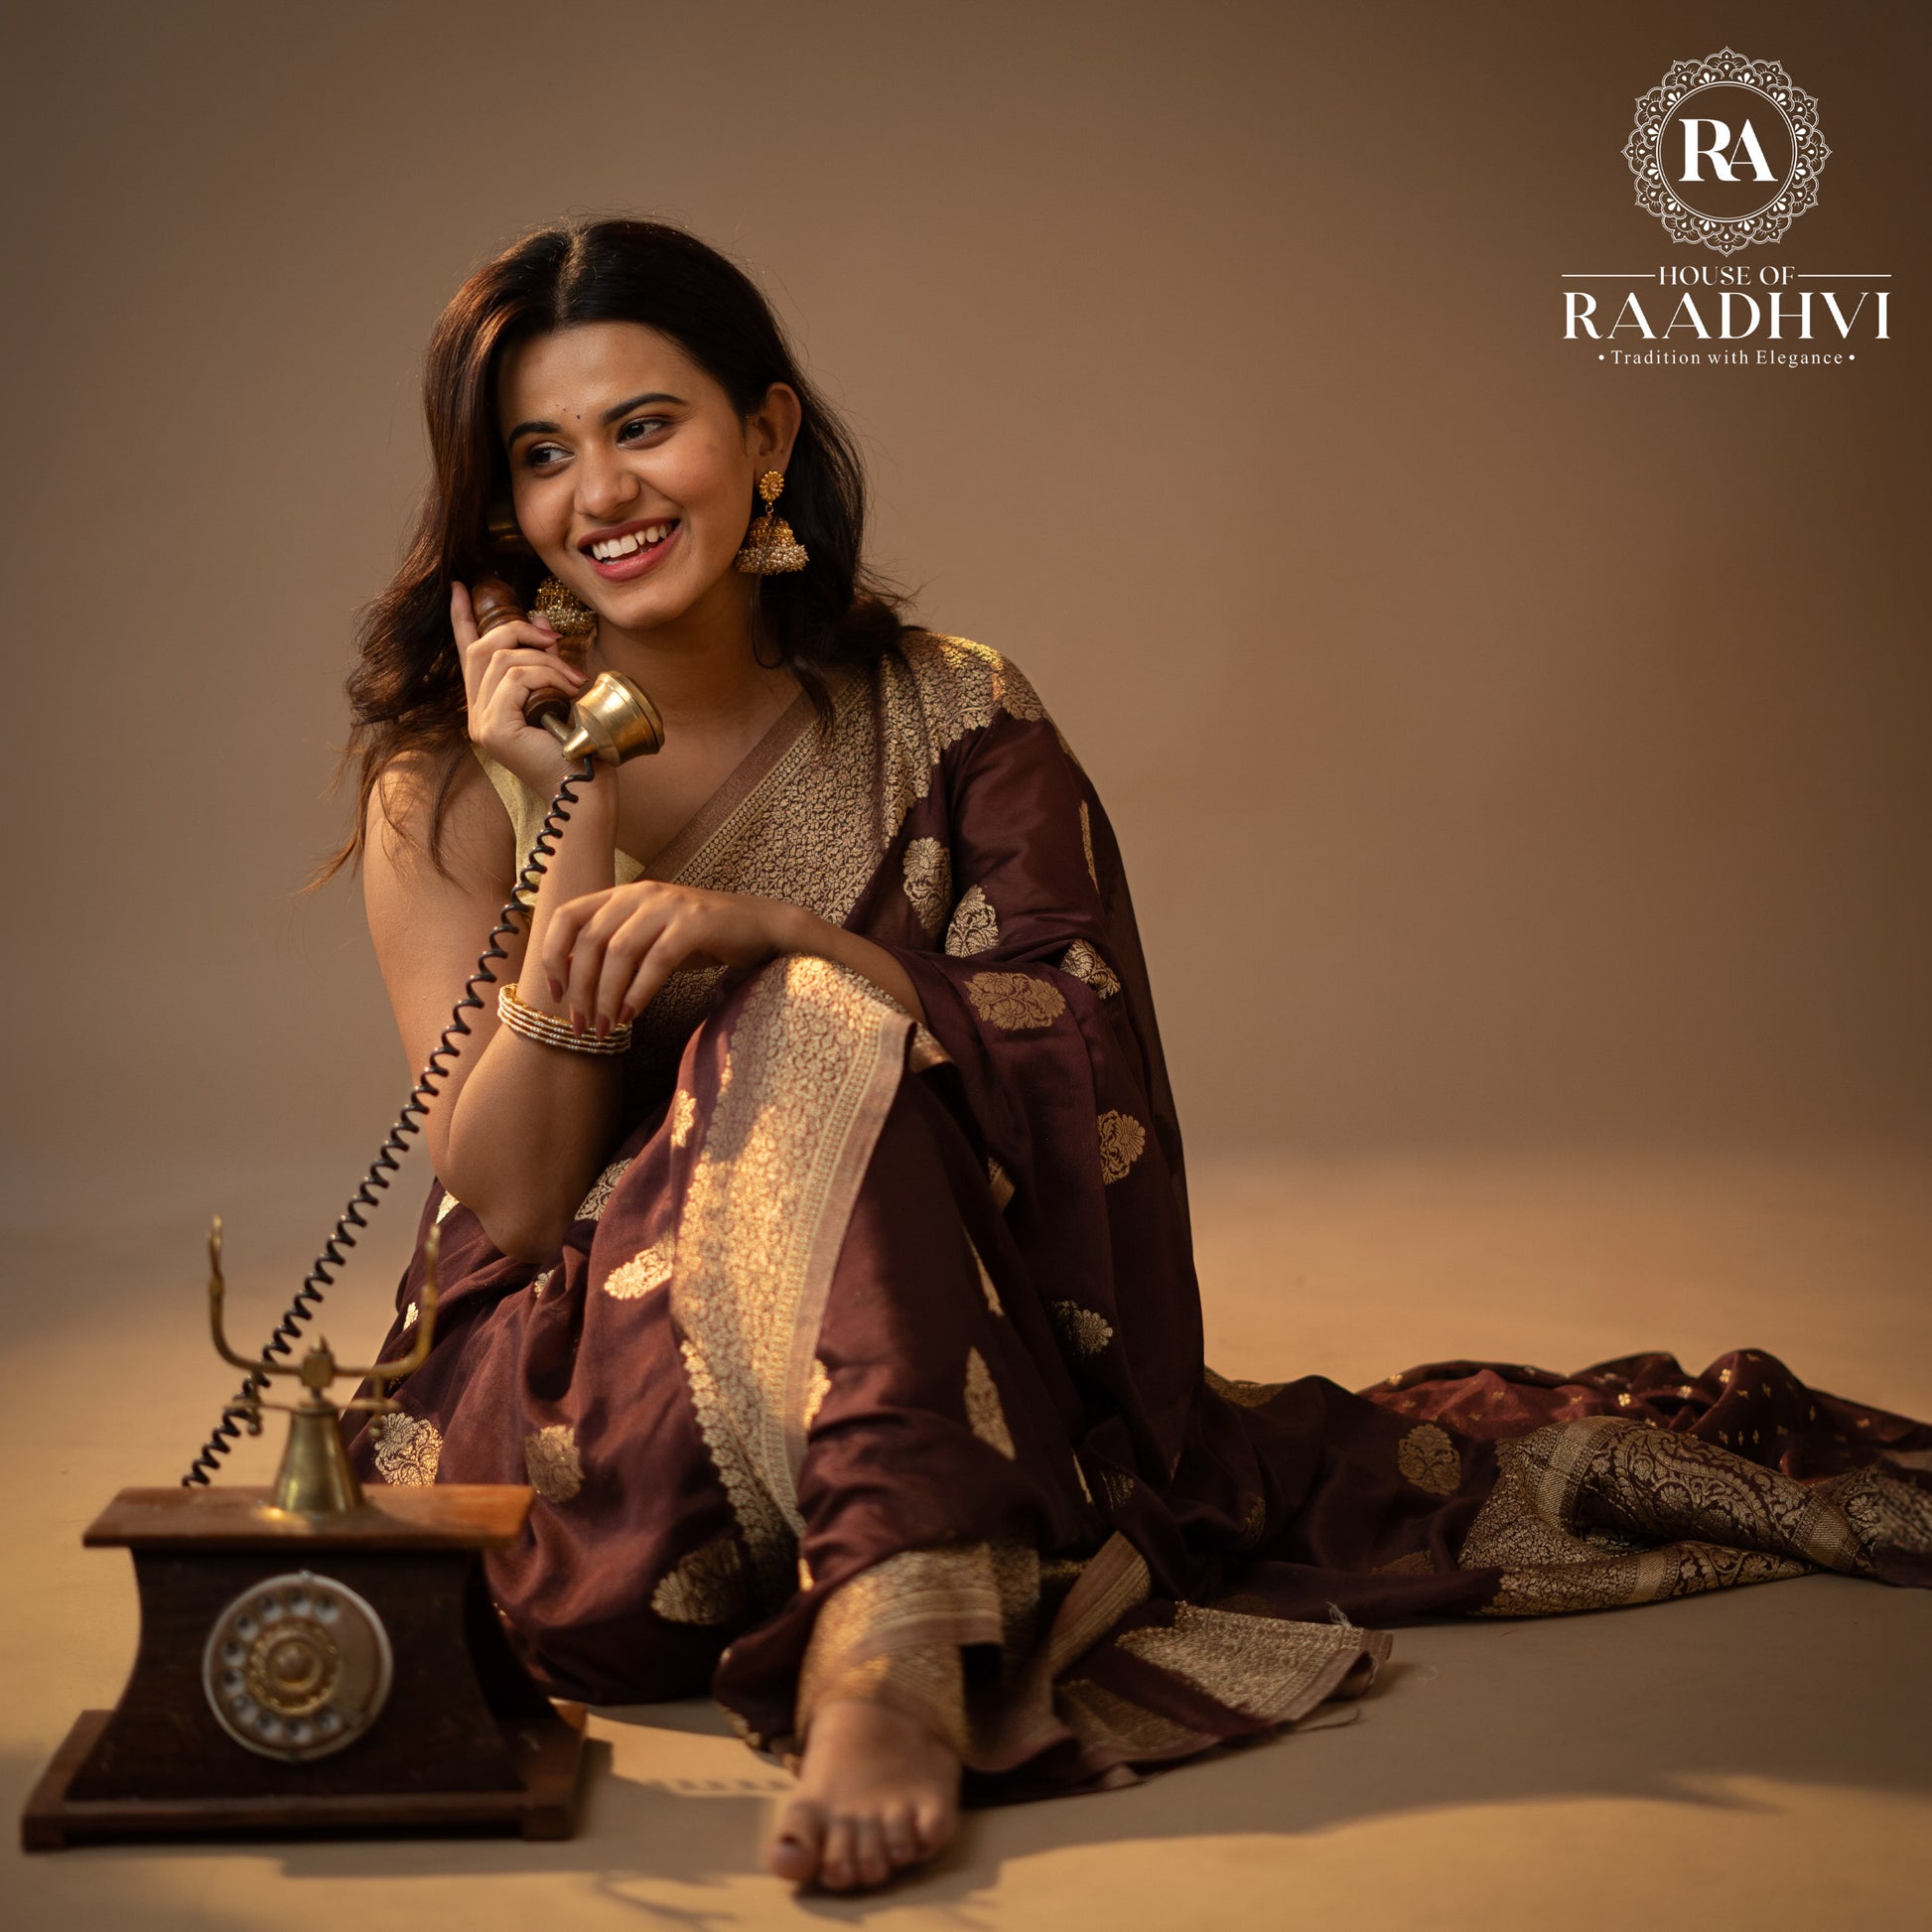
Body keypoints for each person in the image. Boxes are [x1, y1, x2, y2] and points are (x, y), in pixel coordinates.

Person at [327, 216, 1932, 1893]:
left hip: (944, 1398)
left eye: (644, 424)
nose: (599, 492)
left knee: (819, 1007)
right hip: (606, 1466)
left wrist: (784, 941)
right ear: (499, 506)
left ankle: (888, 1656)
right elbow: (515, 1205)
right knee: (806, 1014)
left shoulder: (952, 717)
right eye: (541, 454)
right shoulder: (448, 786)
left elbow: (1075, 1055)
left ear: (768, 434)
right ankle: (895, 1626)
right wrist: (572, 805)